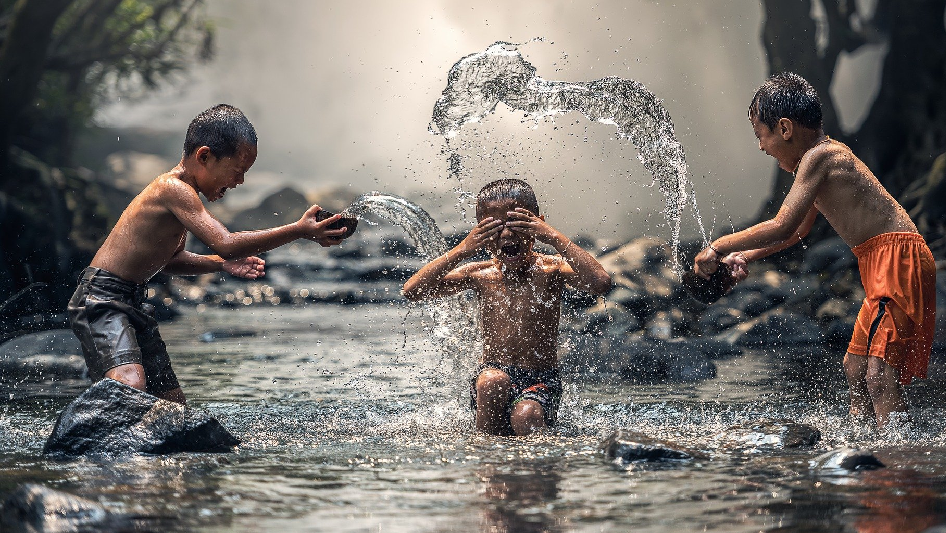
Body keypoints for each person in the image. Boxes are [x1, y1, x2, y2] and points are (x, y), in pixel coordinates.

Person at [693, 73, 936, 428]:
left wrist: (716, 247)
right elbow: (796, 234)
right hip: (883, 261)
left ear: (785, 128)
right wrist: (746, 256)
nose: (761, 147)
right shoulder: (818, 162)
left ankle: (897, 463)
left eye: (761, 135)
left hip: (897, 260)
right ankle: (863, 446)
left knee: (879, 375)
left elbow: (782, 224)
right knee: (855, 368)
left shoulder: (821, 157)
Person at [69, 104, 348, 404]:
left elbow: (172, 260)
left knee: (172, 404)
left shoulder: (185, 198)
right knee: (131, 383)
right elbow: (225, 242)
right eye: (237, 171)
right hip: (102, 299)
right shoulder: (172, 189)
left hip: (132, 301)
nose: (239, 182)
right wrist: (299, 230)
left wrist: (220, 265)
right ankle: (80, 435)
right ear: (204, 156)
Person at [402, 179, 611, 436]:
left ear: (537, 224)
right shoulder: (480, 274)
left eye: (516, 224)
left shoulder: (552, 270)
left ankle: (534, 469)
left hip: (541, 380)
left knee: (526, 416)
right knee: (493, 381)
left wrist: (553, 236)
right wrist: (462, 250)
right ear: (479, 232)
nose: (506, 236)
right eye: (494, 227)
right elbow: (413, 291)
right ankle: (485, 457)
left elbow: (600, 283)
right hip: (490, 376)